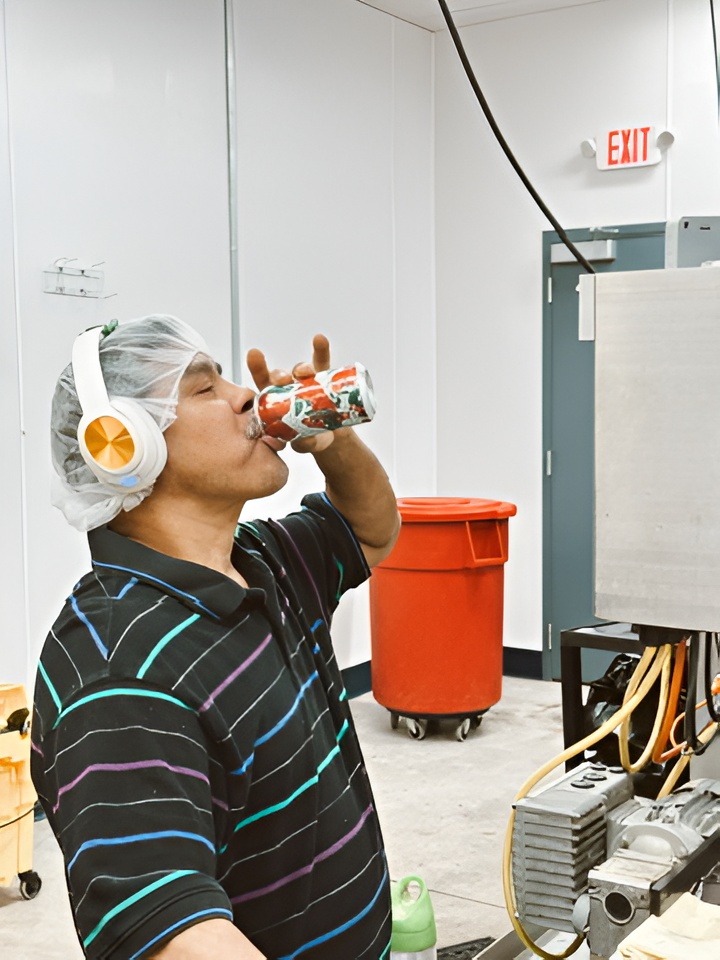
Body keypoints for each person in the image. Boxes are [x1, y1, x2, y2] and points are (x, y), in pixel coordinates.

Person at [31, 315, 401, 960]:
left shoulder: (262, 561)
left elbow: (372, 531)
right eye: (205, 388)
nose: (246, 396)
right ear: (125, 445)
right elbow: (169, 931)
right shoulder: (118, 675)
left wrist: (334, 442)